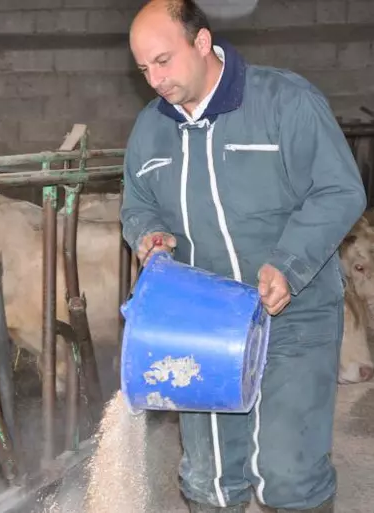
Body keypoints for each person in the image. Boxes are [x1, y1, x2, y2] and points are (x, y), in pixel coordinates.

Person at [120, 1, 367, 512]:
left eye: (163, 61)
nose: (155, 80)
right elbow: (137, 205)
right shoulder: (150, 130)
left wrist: (289, 262)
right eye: (144, 69)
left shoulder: (285, 102)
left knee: (289, 473)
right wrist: (149, 236)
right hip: (204, 323)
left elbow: (340, 191)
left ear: (203, 42)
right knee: (210, 476)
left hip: (293, 314)